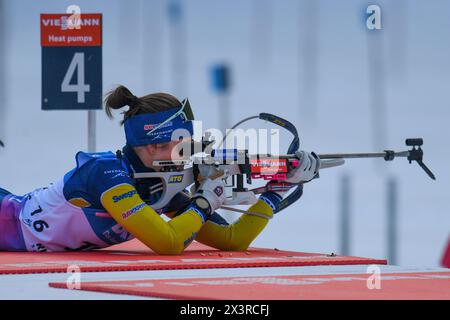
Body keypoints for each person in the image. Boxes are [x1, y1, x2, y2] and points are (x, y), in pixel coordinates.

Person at [0, 86, 320, 254]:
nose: (190, 149)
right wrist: (205, 200)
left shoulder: (160, 184)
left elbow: (231, 240)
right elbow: (168, 243)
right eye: (182, 143)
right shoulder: (106, 174)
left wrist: (277, 190)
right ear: (153, 146)